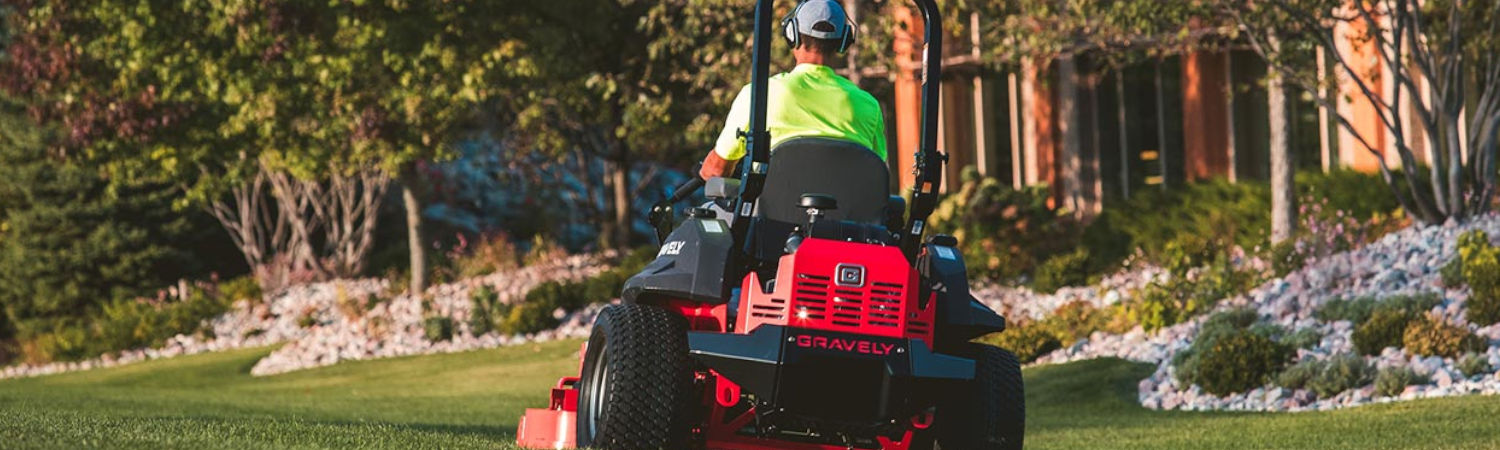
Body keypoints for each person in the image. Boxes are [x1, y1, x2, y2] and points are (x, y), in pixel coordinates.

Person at [698, 0, 886, 182]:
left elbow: (716, 170)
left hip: (772, 213)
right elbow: (877, 174)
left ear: (792, 34)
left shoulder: (760, 95)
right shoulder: (869, 105)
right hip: (846, 213)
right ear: (844, 40)